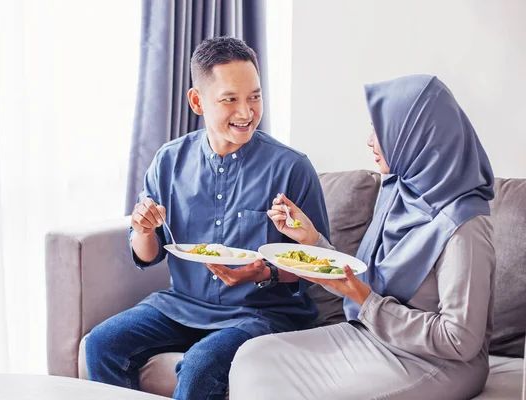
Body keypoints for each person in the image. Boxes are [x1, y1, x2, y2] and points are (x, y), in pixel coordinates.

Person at [85, 36, 330, 400]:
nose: (246, 112)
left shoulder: (291, 168)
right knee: (101, 343)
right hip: (182, 304)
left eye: (254, 97)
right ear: (197, 101)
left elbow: (319, 263)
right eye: (230, 99)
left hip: (261, 313)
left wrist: (264, 272)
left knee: (201, 364)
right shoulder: (169, 161)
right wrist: (143, 228)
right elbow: (148, 254)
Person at [229, 74, 496, 400]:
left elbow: (459, 339)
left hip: (440, 362)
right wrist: (312, 240)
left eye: (380, 131)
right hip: (376, 333)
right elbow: (358, 279)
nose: (370, 140)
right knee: (252, 357)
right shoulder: (398, 192)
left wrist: (367, 302)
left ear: (416, 137)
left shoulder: (464, 224)